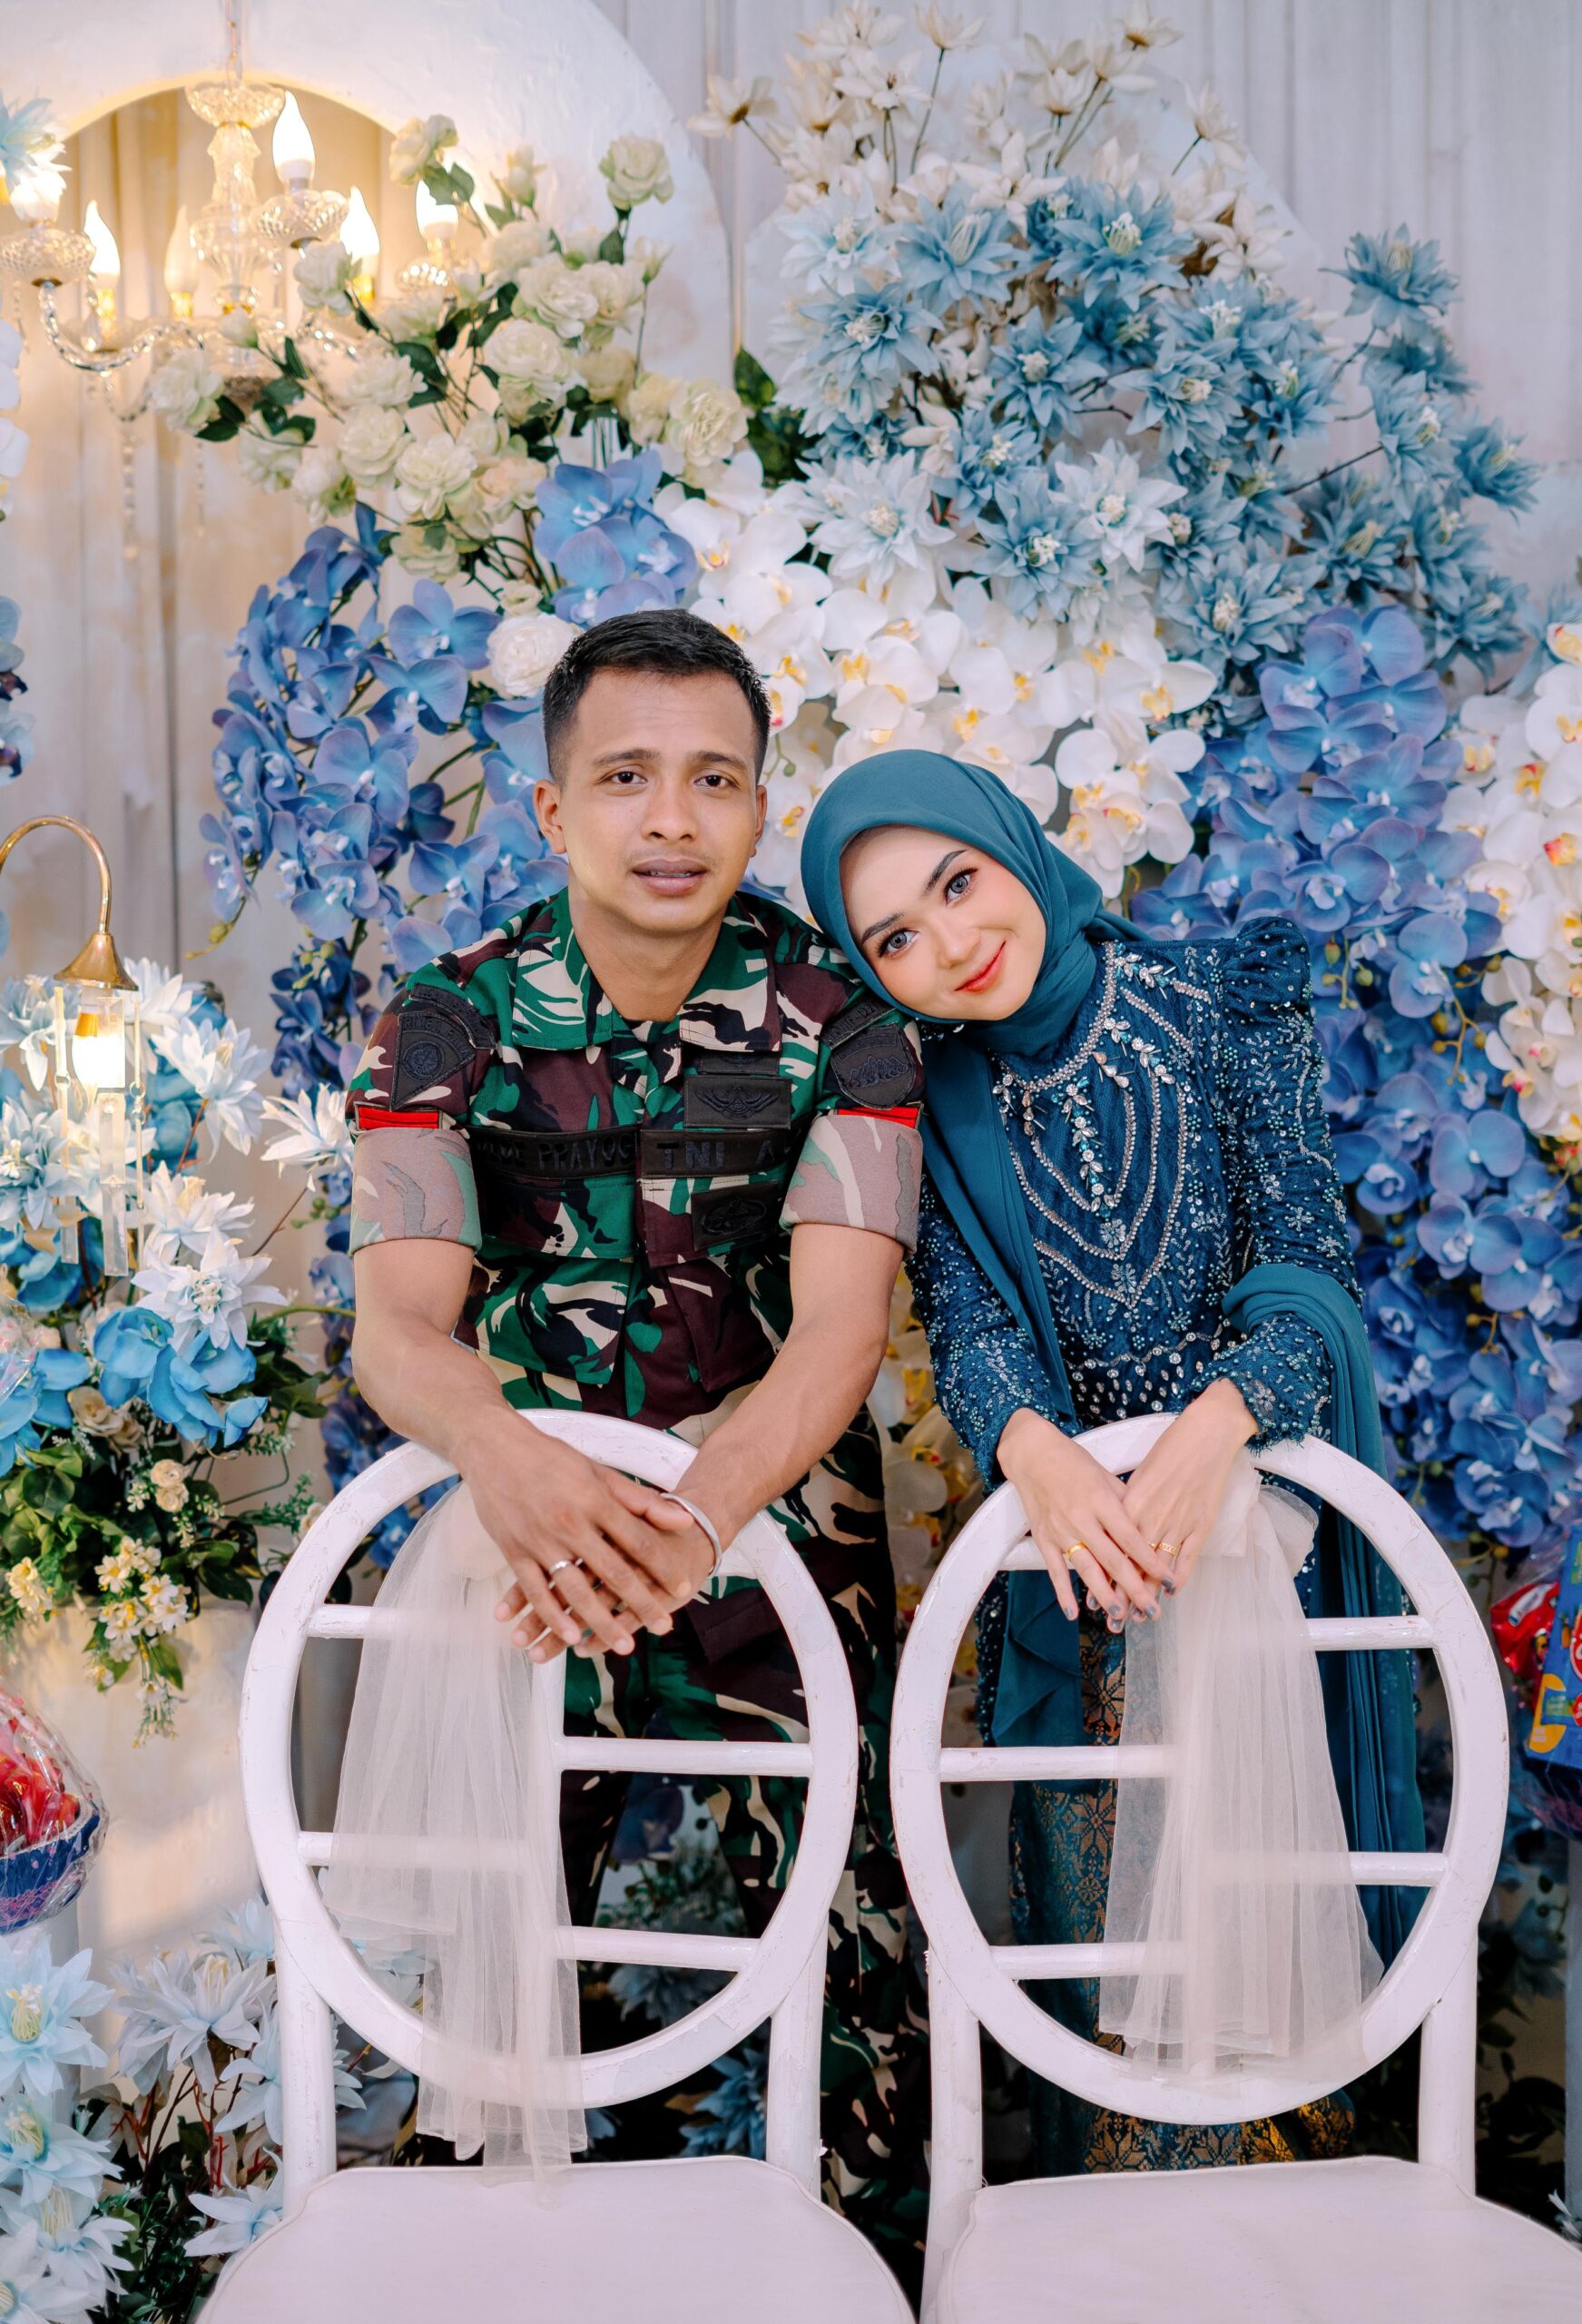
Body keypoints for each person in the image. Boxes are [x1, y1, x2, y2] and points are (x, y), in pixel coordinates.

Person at [344, 611, 928, 2280]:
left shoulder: (846, 1022)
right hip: (531, 1545)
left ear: (759, 807)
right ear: (552, 809)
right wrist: (518, 1467)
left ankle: (866, 2272)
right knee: (500, 1936)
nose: (671, 819)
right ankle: (475, 2276)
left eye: (713, 780)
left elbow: (839, 1331)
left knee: (853, 1939)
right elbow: (398, 1328)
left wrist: (693, 1521)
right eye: (624, 777)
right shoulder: (445, 1022)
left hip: (779, 1539)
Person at [801, 749, 1423, 2175]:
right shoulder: (925, 1100)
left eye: (959, 882)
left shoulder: (1224, 1002)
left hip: (1264, 1560)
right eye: (896, 936)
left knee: (1274, 1980)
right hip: (1082, 1578)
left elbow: (1306, 1262)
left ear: (1013, 845)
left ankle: (1290, 2260)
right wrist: (1036, 1450)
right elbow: (970, 1328)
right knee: (1112, 2005)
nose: (953, 941)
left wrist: (1216, 1433)